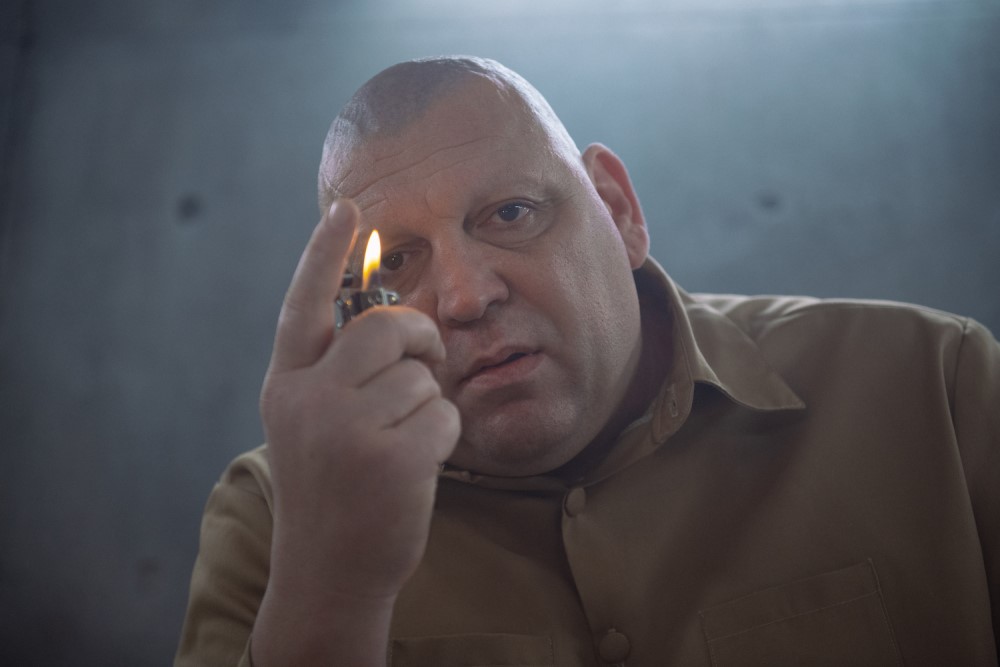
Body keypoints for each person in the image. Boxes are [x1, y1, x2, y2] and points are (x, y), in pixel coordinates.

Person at [175, 56, 1000, 667]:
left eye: (510, 212)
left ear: (618, 209)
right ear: (354, 303)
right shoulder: (276, 519)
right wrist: (334, 587)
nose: (464, 296)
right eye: (395, 261)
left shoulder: (935, 386)